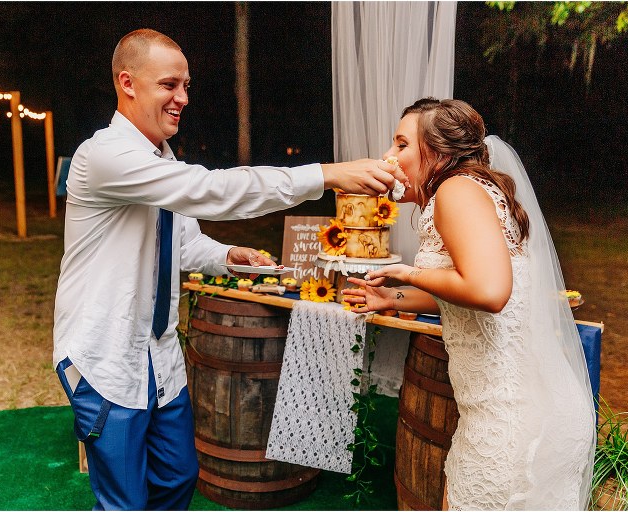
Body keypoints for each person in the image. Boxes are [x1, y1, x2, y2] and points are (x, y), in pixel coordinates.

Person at [52, 28, 405, 511]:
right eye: (168, 85)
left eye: (186, 86)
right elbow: (212, 191)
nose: (182, 98)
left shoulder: (161, 158)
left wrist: (228, 255)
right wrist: (325, 175)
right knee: (124, 502)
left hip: (158, 354)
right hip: (106, 354)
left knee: (177, 476)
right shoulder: (105, 155)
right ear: (127, 83)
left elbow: (182, 242)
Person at [343, 98, 596, 509]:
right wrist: (392, 297)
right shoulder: (470, 190)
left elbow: (490, 292)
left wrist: (407, 273)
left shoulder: (456, 191)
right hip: (530, 411)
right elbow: (463, 293)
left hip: (510, 423)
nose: (389, 155)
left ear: (440, 154)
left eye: (402, 144)